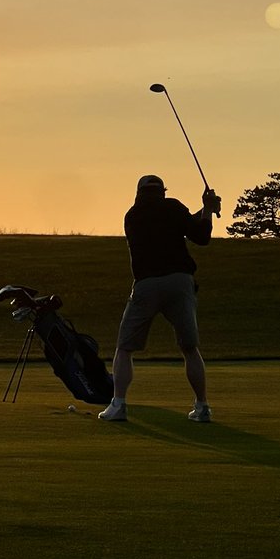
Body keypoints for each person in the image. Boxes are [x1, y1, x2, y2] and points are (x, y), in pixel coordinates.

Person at [98, 174, 221, 423]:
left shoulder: (132, 216)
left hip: (147, 284)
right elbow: (201, 235)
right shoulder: (173, 208)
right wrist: (207, 210)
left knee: (125, 347)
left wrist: (205, 210)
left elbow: (180, 225)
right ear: (162, 192)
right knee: (189, 347)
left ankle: (119, 404)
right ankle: (203, 406)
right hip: (180, 282)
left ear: (138, 193)